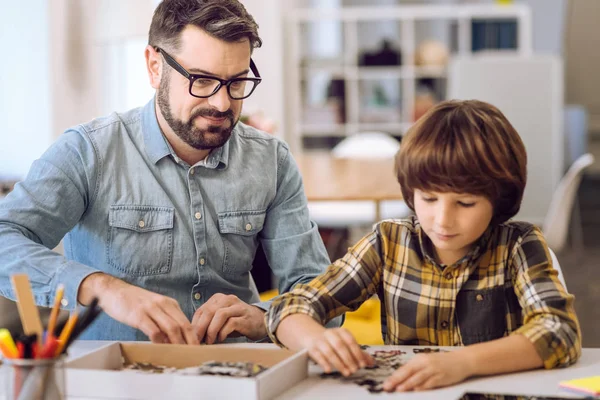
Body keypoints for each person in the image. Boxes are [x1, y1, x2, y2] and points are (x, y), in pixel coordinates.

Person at [0, 0, 340, 343]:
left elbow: (324, 298)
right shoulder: (88, 151)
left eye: (236, 83)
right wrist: (102, 288)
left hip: (236, 377)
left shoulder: (272, 160)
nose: (222, 104)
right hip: (117, 380)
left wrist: (266, 318)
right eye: (202, 81)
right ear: (154, 67)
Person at [266, 100, 581, 392]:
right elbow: (289, 306)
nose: (443, 220)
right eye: (429, 199)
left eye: (466, 203)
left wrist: (463, 362)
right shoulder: (388, 243)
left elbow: (559, 331)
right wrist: (316, 338)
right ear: (410, 191)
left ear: (500, 199)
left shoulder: (519, 246)